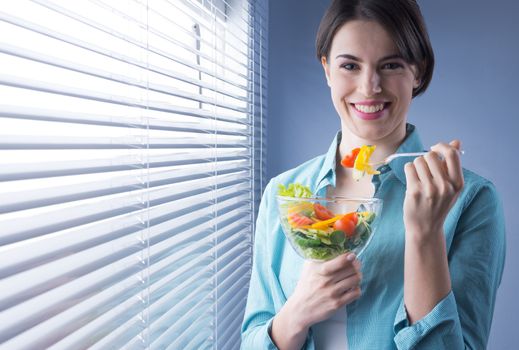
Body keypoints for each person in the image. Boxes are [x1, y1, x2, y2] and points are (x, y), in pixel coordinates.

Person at [240, 0, 506, 349]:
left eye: (391, 65)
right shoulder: (283, 194)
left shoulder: (469, 199)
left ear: (419, 71)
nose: (370, 87)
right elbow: (252, 339)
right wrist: (296, 314)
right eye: (350, 65)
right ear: (326, 70)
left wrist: (425, 236)